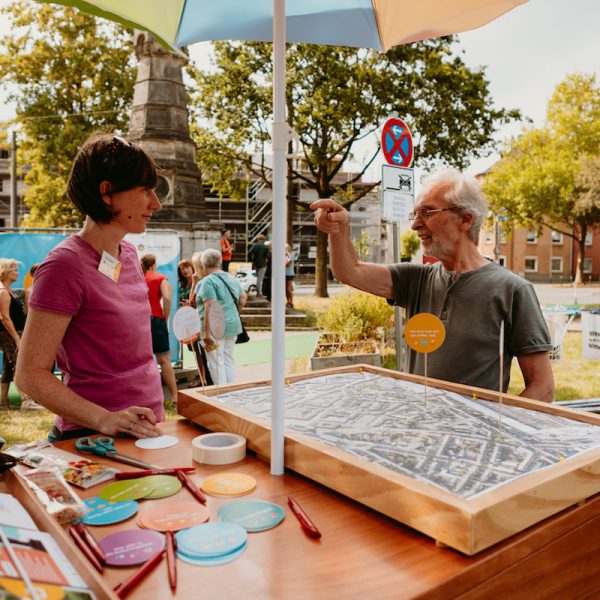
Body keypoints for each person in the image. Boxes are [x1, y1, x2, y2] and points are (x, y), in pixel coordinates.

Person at [311, 168, 554, 402]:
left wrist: (495, 431)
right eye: (414, 214)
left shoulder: (513, 290)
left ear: (465, 219)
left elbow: (542, 388)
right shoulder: (416, 280)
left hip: (470, 441)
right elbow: (350, 271)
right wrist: (338, 230)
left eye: (426, 212)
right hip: (419, 435)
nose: (416, 224)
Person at [15, 133, 164, 440]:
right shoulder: (64, 266)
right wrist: (104, 419)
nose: (156, 203)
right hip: (92, 437)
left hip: (144, 430)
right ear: (106, 193)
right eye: (145, 190)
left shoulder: (130, 254)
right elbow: (29, 375)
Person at [196, 248, 247, 385]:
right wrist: (235, 311)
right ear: (220, 261)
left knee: (215, 361)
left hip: (213, 329)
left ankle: (221, 395)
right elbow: (243, 297)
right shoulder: (230, 278)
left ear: (203, 263)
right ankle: (230, 392)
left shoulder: (207, 282)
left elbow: (209, 306)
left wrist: (206, 333)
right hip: (232, 325)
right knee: (228, 358)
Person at [0, 259, 42, 411]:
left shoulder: (8, 289)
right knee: (19, 364)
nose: (18, 272)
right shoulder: (3, 292)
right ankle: (27, 401)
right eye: (15, 270)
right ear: (6, 271)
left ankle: (3, 402)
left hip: (14, 332)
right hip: (9, 333)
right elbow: (4, 317)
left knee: (7, 365)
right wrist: (17, 338)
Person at [140, 254, 179, 404]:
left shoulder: (138, 278)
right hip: (156, 319)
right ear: (154, 264)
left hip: (140, 320)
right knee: (164, 360)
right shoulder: (160, 278)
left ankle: (147, 398)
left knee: (143, 361)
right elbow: (167, 298)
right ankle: (174, 396)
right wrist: (166, 316)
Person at [285, 243, 295, 308]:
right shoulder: (285, 255)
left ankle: (291, 302)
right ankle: (288, 301)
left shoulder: (291, 255)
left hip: (290, 274)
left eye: (285, 248)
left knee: (288, 289)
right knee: (285, 289)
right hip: (284, 274)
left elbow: (288, 264)